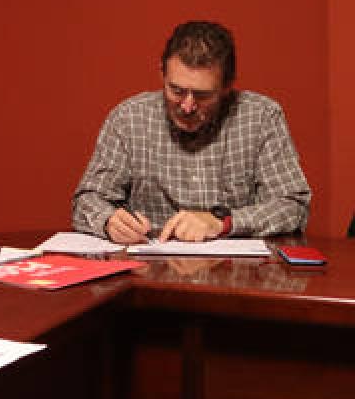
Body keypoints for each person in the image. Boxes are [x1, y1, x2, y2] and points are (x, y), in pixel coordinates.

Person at [72, 20, 311, 243]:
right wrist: (109, 221)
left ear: (227, 86)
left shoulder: (261, 118)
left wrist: (224, 223)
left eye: (203, 95)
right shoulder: (128, 120)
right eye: (176, 90)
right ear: (161, 74)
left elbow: (292, 206)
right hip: (149, 271)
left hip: (237, 275)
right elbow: (87, 200)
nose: (187, 106)